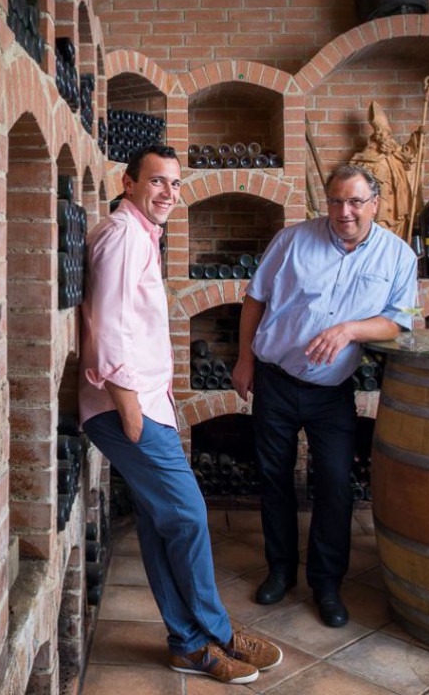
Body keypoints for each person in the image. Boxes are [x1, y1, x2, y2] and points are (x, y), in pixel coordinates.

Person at [79, 144, 282, 685]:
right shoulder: (124, 236)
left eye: (175, 183)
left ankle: (187, 644)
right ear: (129, 183)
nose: (169, 192)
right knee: (189, 516)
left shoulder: (140, 234)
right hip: (127, 405)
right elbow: (106, 323)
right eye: (157, 181)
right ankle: (214, 630)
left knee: (159, 521)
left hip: (141, 403)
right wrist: (127, 406)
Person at [232, 164, 417, 628]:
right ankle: (279, 570)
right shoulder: (293, 240)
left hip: (332, 390)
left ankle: (327, 584)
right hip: (275, 378)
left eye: (355, 201)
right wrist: (244, 360)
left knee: (334, 485)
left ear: (374, 203)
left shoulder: (398, 256)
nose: (344, 211)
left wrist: (350, 329)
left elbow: (400, 320)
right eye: (336, 201)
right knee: (274, 479)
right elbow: (255, 297)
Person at [350, 101, 424, 239]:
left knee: (399, 237)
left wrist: (418, 137)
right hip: (380, 209)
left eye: (389, 135)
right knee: (380, 237)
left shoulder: (395, 153)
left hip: (398, 205)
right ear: (377, 137)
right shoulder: (368, 157)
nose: (388, 139)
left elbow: (409, 153)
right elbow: (357, 178)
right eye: (385, 135)